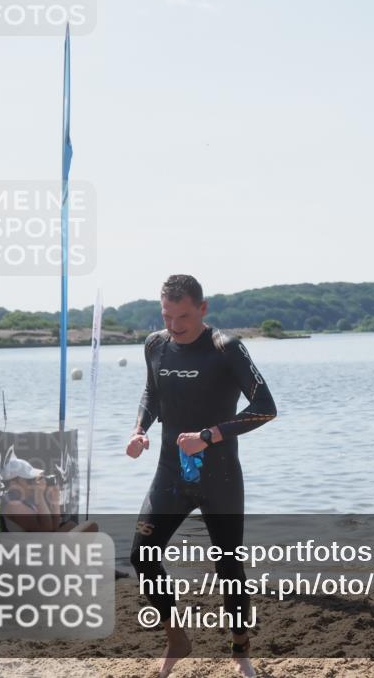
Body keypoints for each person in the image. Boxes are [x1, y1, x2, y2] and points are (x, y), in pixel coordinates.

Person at [127, 275, 276, 678]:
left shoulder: (225, 348)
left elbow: (265, 407)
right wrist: (140, 429)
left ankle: (240, 652)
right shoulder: (155, 344)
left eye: (184, 316)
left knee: (228, 564)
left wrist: (210, 436)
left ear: (203, 309)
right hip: (169, 472)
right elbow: (152, 394)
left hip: (219, 475)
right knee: (142, 555)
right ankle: (177, 636)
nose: (175, 325)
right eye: (167, 316)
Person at [0, 451, 97, 534]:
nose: (33, 484)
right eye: (29, 480)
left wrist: (55, 502)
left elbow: (53, 527)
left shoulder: (25, 500)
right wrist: (39, 495)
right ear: (13, 483)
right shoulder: (13, 504)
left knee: (71, 525)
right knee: (90, 527)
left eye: (33, 479)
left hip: (38, 542)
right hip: (24, 548)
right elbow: (46, 529)